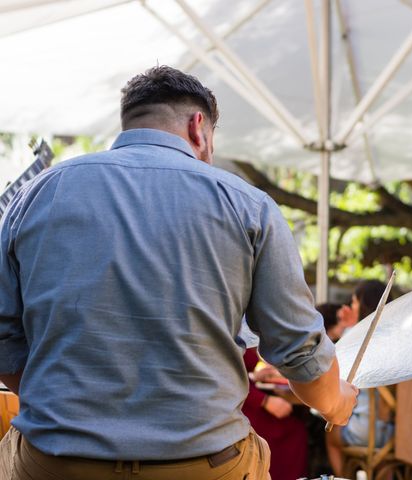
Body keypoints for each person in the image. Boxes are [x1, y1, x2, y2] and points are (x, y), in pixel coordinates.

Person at [0, 66, 357, 480]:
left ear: (130, 121)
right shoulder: (249, 205)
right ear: (198, 126)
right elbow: (299, 351)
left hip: (55, 463)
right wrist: (337, 403)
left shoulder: (39, 194)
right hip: (204, 466)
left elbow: (4, 338)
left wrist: (71, 410)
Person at [326, 279, 394, 477]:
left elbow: (335, 375)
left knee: (330, 437)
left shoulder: (356, 341)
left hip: (363, 430)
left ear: (363, 305)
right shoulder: (394, 340)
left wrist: (348, 328)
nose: (350, 306)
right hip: (394, 431)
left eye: (354, 302)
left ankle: (344, 477)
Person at [242, 347, 308, 480]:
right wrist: (264, 401)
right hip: (245, 408)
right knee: (294, 433)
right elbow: (227, 377)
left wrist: (254, 376)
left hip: (251, 397)